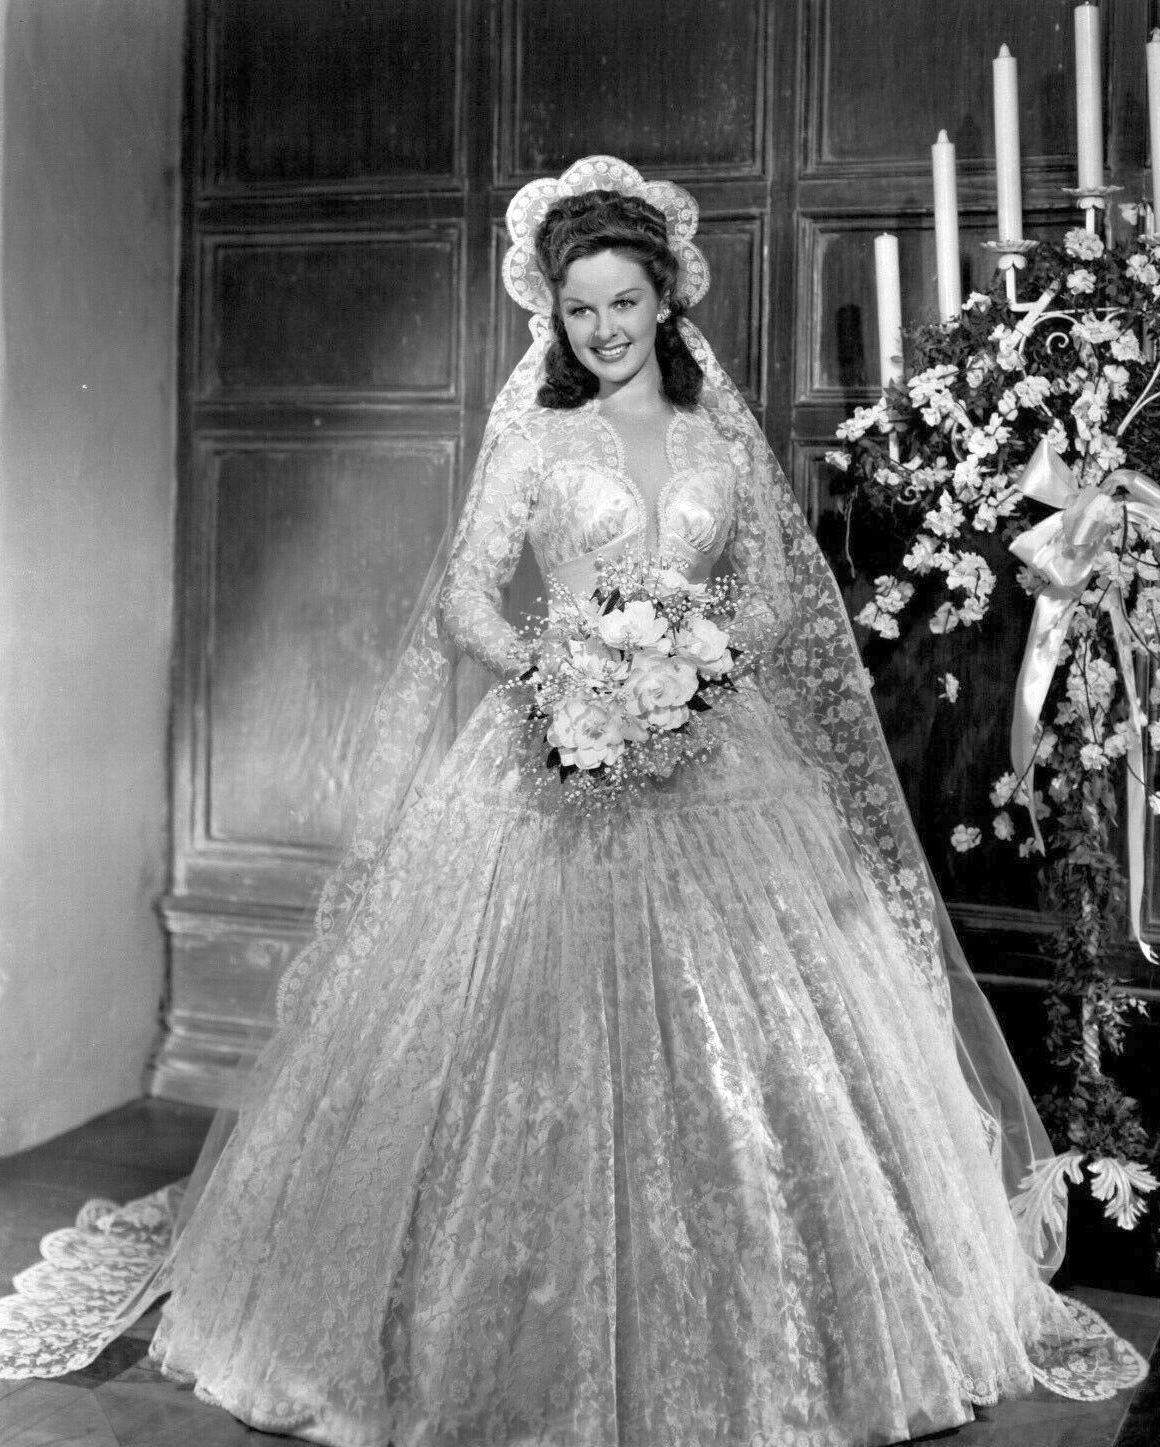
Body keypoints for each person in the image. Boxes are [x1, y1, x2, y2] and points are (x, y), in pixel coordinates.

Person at [0, 156, 1148, 1444]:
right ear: (555, 313)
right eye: (580, 307)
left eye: (623, 302)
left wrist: (699, 660)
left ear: (667, 299)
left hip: (718, 756)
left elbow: (779, 595)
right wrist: (563, 668)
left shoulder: (719, 440)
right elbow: (465, 599)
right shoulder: (537, 440)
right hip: (549, 748)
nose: (603, 328)